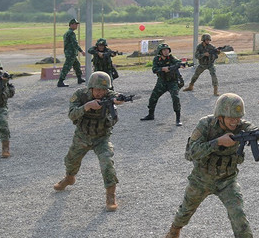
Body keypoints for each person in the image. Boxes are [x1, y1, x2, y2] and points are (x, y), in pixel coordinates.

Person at [157, 93, 259, 238]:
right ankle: (174, 231)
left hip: (227, 180)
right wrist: (217, 142)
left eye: (238, 118)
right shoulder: (205, 125)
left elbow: (253, 129)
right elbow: (190, 153)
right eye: (231, 118)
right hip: (202, 178)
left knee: (238, 215)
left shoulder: (242, 126)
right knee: (186, 209)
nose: (235, 122)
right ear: (220, 115)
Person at [52, 71, 125, 211]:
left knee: (107, 163)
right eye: (97, 90)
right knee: (71, 160)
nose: (100, 93)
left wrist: (118, 100)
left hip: (102, 137)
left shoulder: (108, 95)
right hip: (82, 136)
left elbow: (115, 97)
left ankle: (111, 196)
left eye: (103, 90)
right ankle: (69, 178)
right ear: (91, 88)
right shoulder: (80, 95)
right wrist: (87, 106)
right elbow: (72, 115)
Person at [140, 43, 183, 126]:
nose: (166, 51)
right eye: (164, 50)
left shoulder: (171, 57)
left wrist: (178, 65)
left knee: (175, 98)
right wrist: (162, 69)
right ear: (160, 52)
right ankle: (150, 115)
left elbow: (178, 62)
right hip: (162, 81)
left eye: (167, 50)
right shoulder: (157, 59)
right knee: (153, 97)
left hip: (172, 82)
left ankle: (178, 118)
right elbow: (154, 69)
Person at [57, 18, 85, 87]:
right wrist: (81, 51)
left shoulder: (67, 33)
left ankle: (79, 78)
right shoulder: (71, 33)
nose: (76, 26)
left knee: (77, 65)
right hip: (71, 53)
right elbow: (75, 43)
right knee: (67, 67)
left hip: (70, 53)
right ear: (71, 25)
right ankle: (60, 81)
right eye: (75, 24)